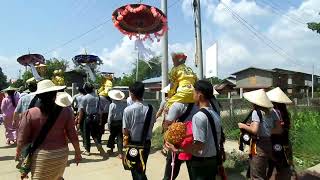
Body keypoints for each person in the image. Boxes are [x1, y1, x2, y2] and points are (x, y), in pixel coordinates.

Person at [16, 79, 81, 180]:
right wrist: (78, 152)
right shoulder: (66, 111)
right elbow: (72, 134)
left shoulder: (30, 113)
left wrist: (18, 153)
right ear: (55, 94)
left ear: (38, 96)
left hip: (41, 156)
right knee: (57, 177)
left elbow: (21, 138)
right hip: (61, 154)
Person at [165, 80, 223, 180]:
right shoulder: (215, 114)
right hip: (213, 161)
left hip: (201, 163)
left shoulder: (198, 117)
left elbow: (198, 146)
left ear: (199, 95)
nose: (192, 96)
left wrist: (177, 150)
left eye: (194, 93)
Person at [238, 89, 281, 180]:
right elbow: (278, 129)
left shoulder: (256, 112)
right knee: (264, 169)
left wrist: (243, 126)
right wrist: (266, 130)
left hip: (259, 144)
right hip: (270, 142)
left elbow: (254, 130)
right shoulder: (273, 111)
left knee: (257, 175)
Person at [123, 82, 156, 180]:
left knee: (135, 170)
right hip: (146, 143)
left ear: (132, 94)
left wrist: (125, 144)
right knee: (142, 167)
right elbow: (152, 124)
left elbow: (125, 130)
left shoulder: (128, 110)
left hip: (133, 144)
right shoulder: (151, 108)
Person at [267, 87, 295, 180]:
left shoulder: (275, 112)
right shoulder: (283, 112)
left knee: (275, 163)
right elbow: (286, 126)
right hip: (284, 141)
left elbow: (277, 128)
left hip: (277, 141)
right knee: (284, 163)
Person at [78, 83, 105, 156]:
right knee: (94, 134)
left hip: (88, 117)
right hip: (96, 117)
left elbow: (81, 110)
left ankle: (87, 150)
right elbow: (101, 110)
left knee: (86, 134)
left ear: (86, 89)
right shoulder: (98, 97)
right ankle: (99, 146)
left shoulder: (85, 98)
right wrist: (100, 120)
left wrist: (79, 121)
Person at [106, 89, 126, 158]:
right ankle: (120, 152)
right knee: (120, 137)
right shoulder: (123, 105)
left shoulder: (112, 105)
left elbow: (110, 116)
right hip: (121, 122)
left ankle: (111, 150)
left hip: (114, 123)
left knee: (112, 136)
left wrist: (109, 124)